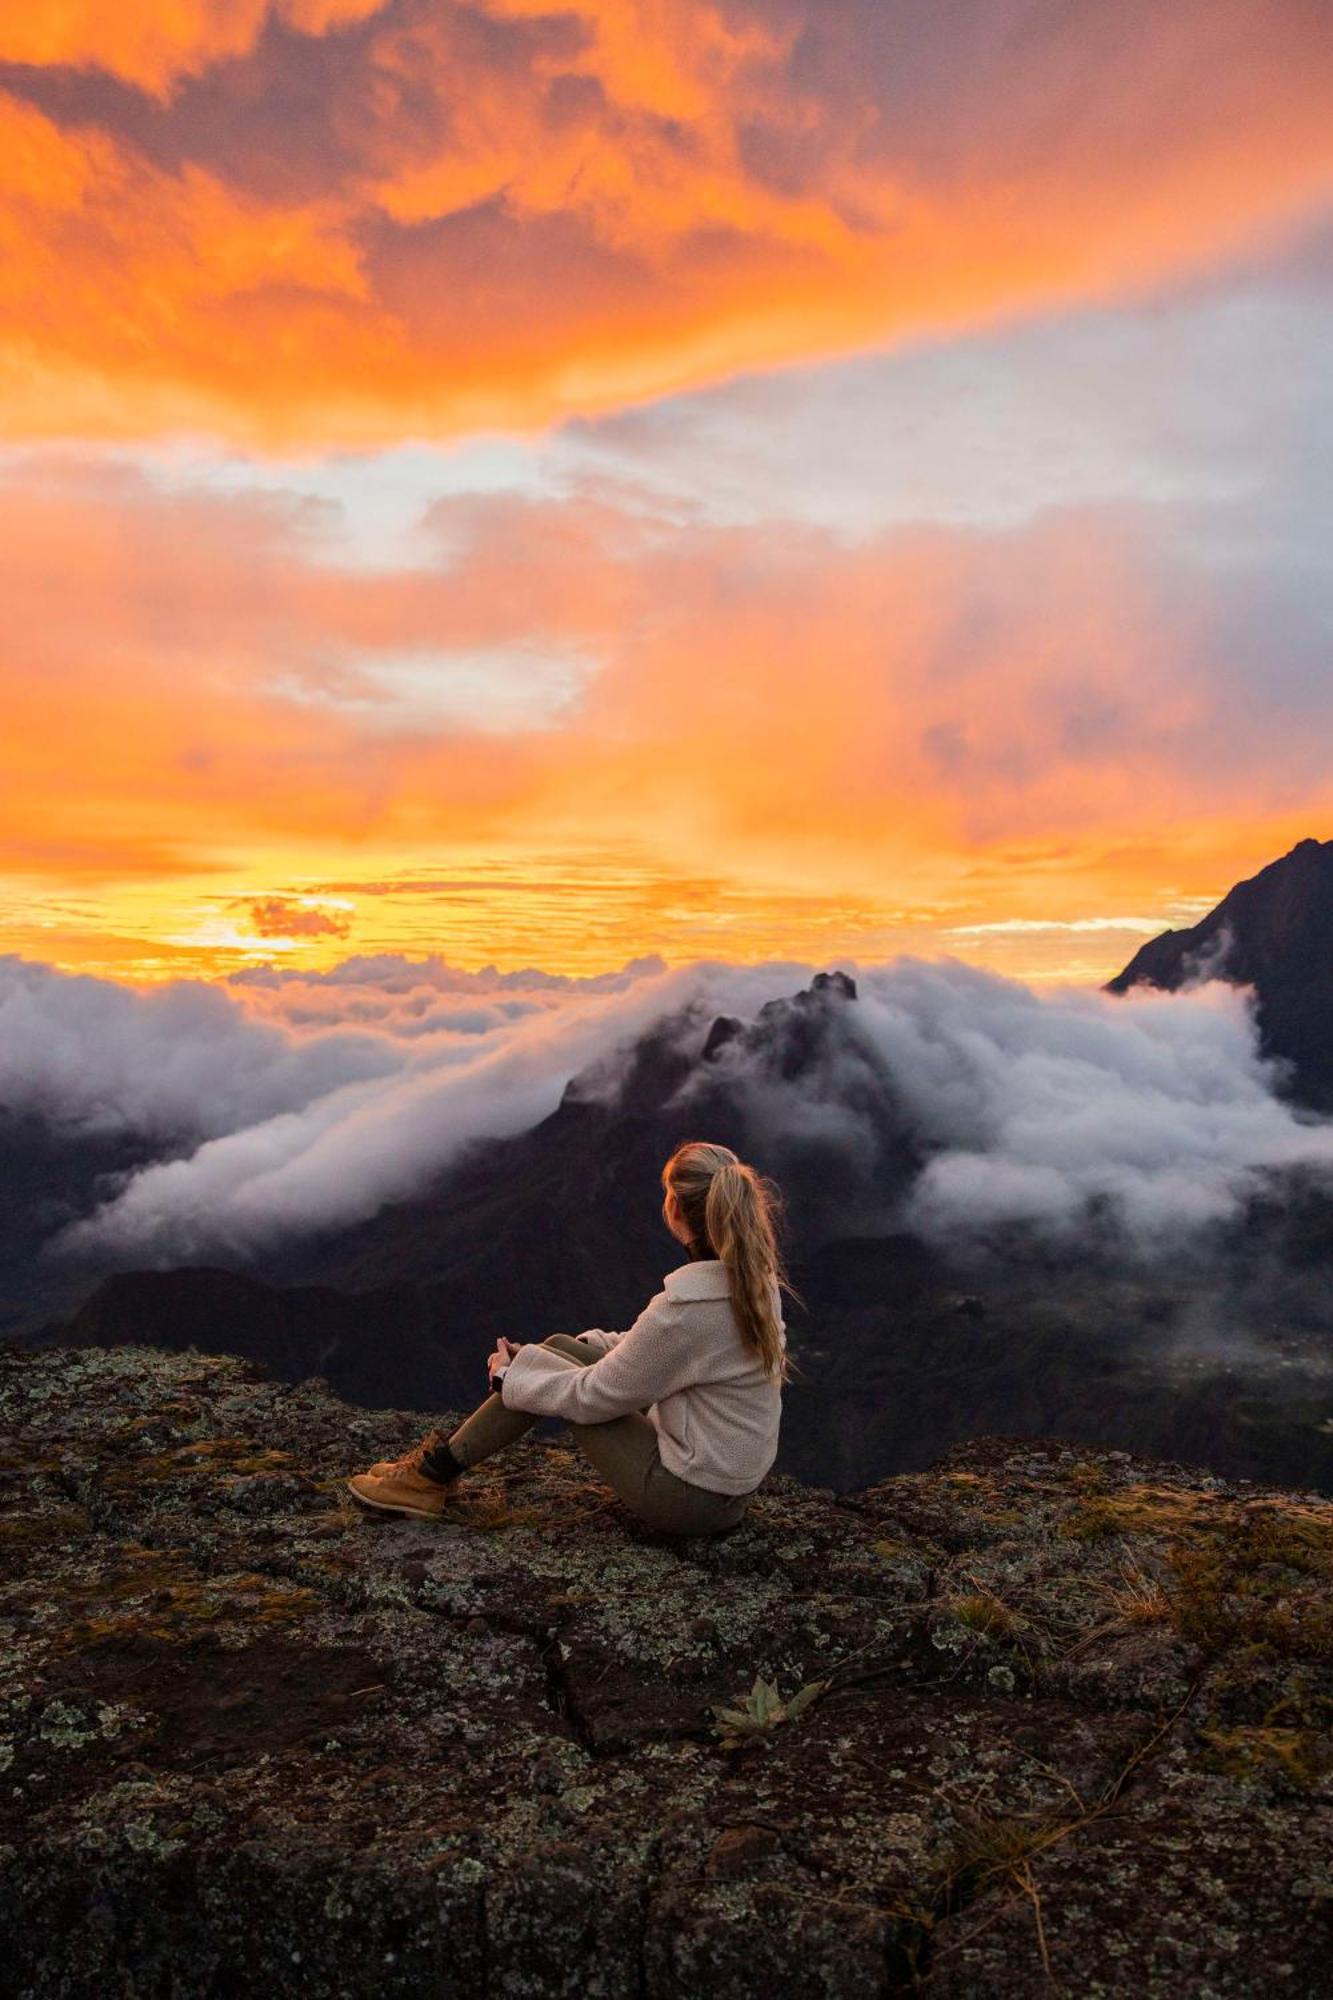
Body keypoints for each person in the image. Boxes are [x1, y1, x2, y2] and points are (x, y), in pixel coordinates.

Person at [345, 1140, 796, 1537]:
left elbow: (594, 1398)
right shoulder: (753, 1283)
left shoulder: (688, 1311)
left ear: (675, 1210)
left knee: (557, 1377)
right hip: (727, 1492)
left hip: (689, 1501)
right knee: (559, 1345)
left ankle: (428, 1480)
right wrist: (563, 1352)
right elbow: (664, 1352)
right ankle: (434, 1472)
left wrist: (512, 1379)